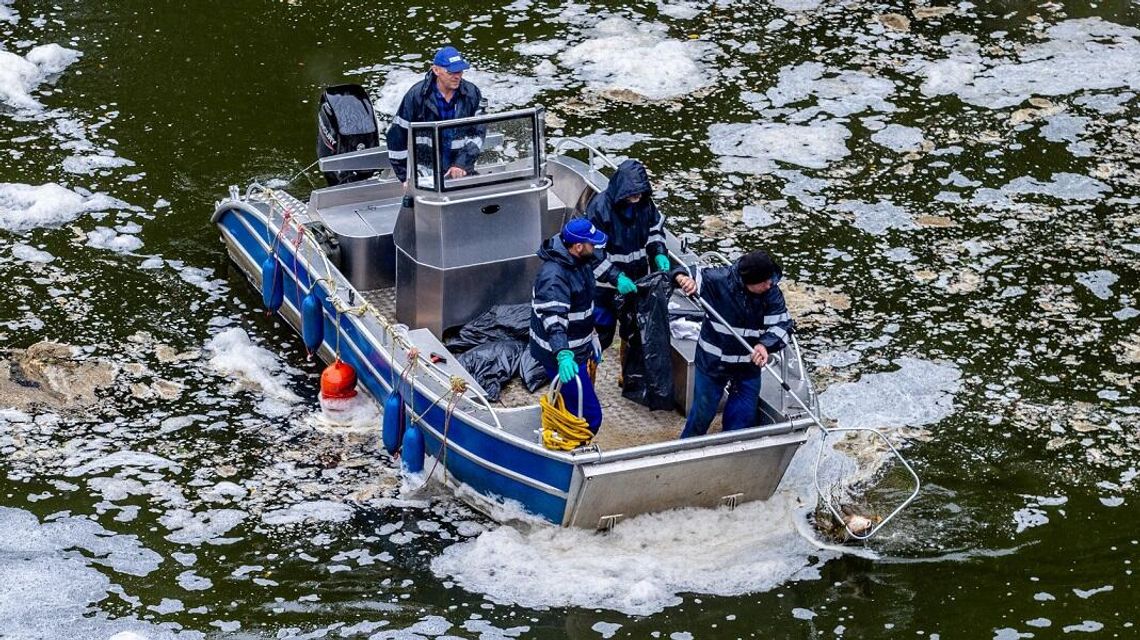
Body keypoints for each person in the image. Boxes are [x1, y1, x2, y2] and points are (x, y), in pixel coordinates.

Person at [673, 250, 794, 439]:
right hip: (713, 363)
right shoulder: (717, 279)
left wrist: (765, 345)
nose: (769, 284)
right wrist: (683, 278)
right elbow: (684, 270)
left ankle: (731, 451)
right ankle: (686, 449)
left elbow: (782, 325)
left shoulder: (771, 293)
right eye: (764, 281)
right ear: (750, 282)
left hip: (747, 367)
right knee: (702, 414)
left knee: (741, 419)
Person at [529, 219, 607, 434]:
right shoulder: (554, 277)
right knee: (590, 417)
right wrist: (563, 353)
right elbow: (554, 320)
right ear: (578, 246)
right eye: (592, 244)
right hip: (562, 354)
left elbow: (581, 306)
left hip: (578, 347)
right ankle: (572, 453)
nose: (596, 248)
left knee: (572, 405)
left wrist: (591, 335)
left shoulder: (579, 260)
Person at [585, 159, 670, 351]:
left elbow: (654, 230)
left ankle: (626, 376)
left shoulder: (645, 204)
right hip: (603, 287)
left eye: (640, 192)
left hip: (636, 282)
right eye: (633, 193)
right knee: (601, 335)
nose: (637, 196)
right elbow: (593, 252)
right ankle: (591, 376)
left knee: (631, 332)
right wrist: (616, 277)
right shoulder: (600, 208)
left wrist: (659, 252)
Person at [385, 45, 485, 186]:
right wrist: (404, 178)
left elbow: (478, 134)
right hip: (425, 175)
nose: (457, 76)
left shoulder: (472, 93)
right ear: (436, 70)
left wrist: (461, 164)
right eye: (451, 72)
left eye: (460, 71)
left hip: (460, 173)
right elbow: (397, 136)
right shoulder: (415, 96)